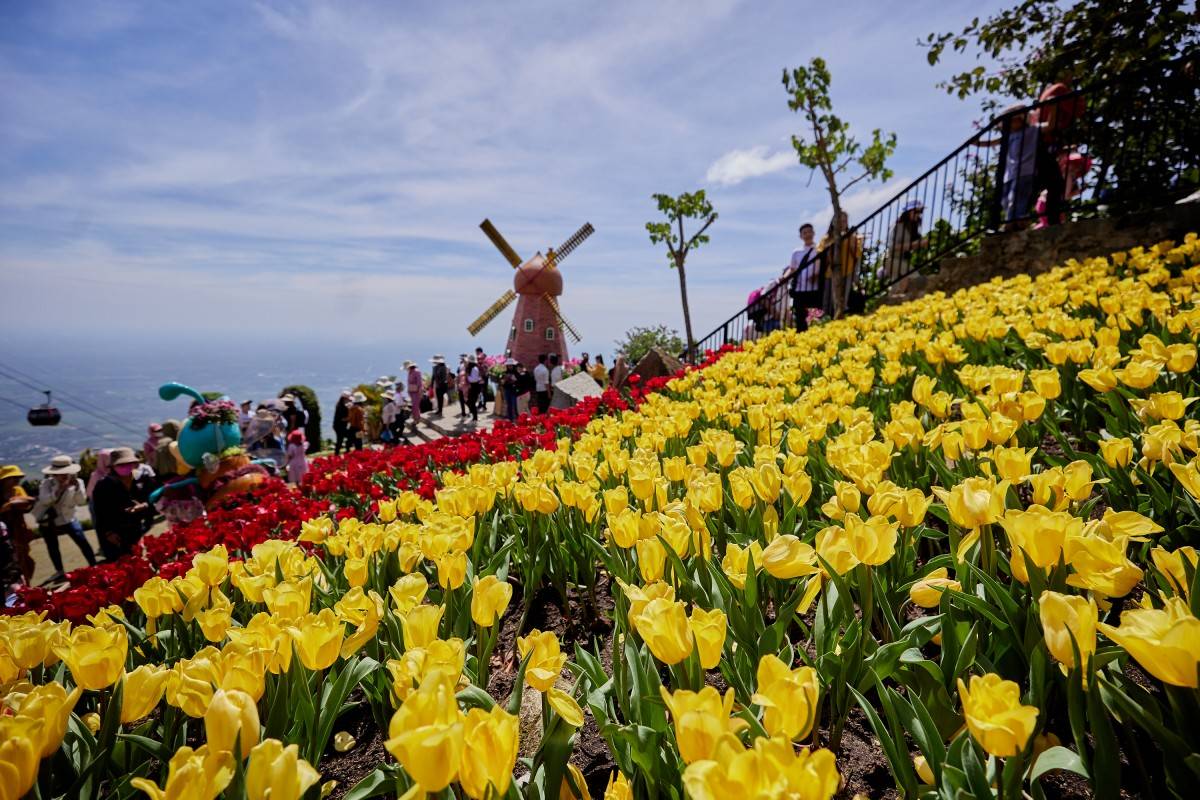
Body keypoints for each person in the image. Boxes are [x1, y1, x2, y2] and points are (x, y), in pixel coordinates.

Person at [32, 455, 96, 581]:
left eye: (66, 472)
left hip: (69, 518)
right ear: (54, 474)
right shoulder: (47, 484)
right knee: (52, 546)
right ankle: (59, 571)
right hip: (49, 521)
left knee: (82, 541)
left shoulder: (78, 482)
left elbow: (81, 501)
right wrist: (58, 490)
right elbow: (44, 500)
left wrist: (77, 489)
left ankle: (93, 564)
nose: (64, 475)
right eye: (61, 473)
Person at [93, 448, 155, 559]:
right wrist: (109, 533)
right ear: (113, 466)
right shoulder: (103, 485)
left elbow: (152, 498)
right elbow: (99, 512)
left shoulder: (142, 479)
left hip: (135, 528)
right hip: (114, 532)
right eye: (121, 465)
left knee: (137, 558)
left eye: (129, 463)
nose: (126, 467)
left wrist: (144, 505)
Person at [818, 211, 864, 318]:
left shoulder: (851, 237)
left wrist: (850, 239)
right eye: (840, 221)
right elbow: (820, 253)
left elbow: (857, 253)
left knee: (843, 298)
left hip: (847, 270)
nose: (842, 223)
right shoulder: (826, 238)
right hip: (830, 272)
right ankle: (827, 318)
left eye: (844, 221)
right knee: (828, 299)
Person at [0, 465, 35, 584]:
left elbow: (28, 502)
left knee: (24, 560)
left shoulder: (18, 490)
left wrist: (13, 503)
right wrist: (8, 506)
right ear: (4, 479)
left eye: (18, 477)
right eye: (13, 477)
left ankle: (27, 586)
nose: (17, 480)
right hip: (4, 532)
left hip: (19, 530)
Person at [884, 200, 928, 290]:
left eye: (920, 212)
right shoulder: (899, 226)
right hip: (893, 260)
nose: (919, 214)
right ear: (909, 212)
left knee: (896, 289)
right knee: (916, 277)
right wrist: (913, 244)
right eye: (916, 211)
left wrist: (919, 244)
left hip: (900, 260)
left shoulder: (911, 227)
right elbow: (893, 247)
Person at [787, 222, 821, 331]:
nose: (807, 235)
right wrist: (783, 279)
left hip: (814, 289)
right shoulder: (796, 252)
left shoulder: (819, 249)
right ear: (801, 236)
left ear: (813, 233)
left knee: (815, 318)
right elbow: (792, 269)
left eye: (809, 232)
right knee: (800, 320)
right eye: (804, 233)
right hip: (799, 290)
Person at [405, 361, 424, 430]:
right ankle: (416, 419)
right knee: (414, 406)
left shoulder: (417, 372)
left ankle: (416, 419)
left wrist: (420, 392)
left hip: (417, 392)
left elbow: (419, 383)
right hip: (412, 392)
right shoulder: (410, 373)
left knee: (415, 406)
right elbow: (408, 383)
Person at [466, 355, 485, 422]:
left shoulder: (474, 369)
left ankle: (475, 418)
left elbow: (474, 380)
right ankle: (474, 416)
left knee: (471, 402)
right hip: (474, 387)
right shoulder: (473, 368)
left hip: (474, 387)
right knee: (470, 402)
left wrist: (467, 377)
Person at [333, 390, 352, 455]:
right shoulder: (341, 407)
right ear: (345, 398)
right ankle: (345, 451)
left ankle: (339, 453)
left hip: (339, 426)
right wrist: (350, 418)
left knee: (341, 440)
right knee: (344, 439)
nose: (349, 400)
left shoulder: (342, 405)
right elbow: (343, 419)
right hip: (339, 426)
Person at [474, 347, 488, 413]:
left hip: (482, 376)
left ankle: (482, 405)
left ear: (479, 351)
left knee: (481, 391)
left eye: (476, 352)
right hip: (484, 376)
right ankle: (482, 405)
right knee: (482, 391)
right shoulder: (485, 357)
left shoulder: (480, 357)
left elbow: (479, 366)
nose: (476, 353)